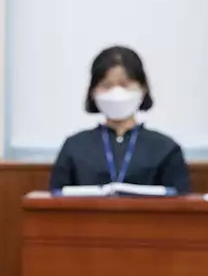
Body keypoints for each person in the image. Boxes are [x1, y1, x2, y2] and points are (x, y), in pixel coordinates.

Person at [50, 46, 189, 193]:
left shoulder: (166, 148)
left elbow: (182, 204)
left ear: (143, 88)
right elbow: (54, 199)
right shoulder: (74, 147)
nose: (116, 92)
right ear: (92, 92)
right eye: (106, 85)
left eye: (125, 84)